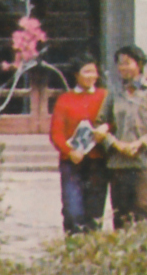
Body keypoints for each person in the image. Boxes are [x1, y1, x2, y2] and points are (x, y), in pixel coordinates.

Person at [100, 44, 147, 228]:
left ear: (139, 64)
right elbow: (100, 124)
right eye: (120, 63)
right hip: (120, 162)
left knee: (143, 212)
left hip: (146, 163)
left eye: (127, 63)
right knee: (121, 216)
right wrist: (115, 143)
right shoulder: (114, 94)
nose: (123, 67)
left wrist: (140, 143)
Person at [47, 55, 112, 235]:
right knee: (72, 210)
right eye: (86, 72)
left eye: (94, 72)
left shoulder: (104, 96)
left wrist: (106, 128)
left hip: (98, 161)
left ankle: (91, 248)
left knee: (95, 212)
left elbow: (113, 120)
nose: (91, 76)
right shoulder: (65, 99)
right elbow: (56, 133)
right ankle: (73, 245)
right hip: (72, 162)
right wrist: (69, 151)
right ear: (76, 74)